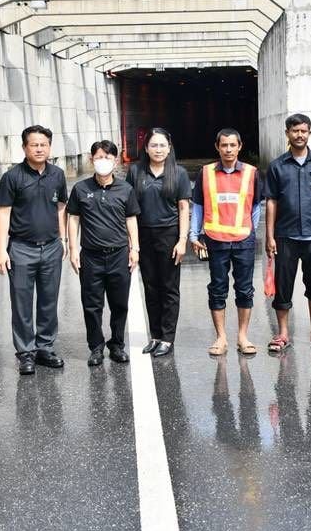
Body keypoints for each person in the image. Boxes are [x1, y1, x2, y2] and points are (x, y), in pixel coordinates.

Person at [0, 125, 68, 376]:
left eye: (43, 144)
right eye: (34, 144)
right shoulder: (12, 177)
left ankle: (45, 347)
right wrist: (2, 250)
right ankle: (26, 352)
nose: (39, 148)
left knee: (49, 300)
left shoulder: (57, 174)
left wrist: (64, 239)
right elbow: (3, 213)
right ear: (24, 147)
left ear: (49, 147)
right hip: (21, 249)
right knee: (22, 303)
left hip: (50, 248)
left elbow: (60, 207)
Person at [264, 113, 311, 353]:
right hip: (285, 236)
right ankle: (283, 333)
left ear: (309, 133)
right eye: (295, 131)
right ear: (287, 133)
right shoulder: (277, 165)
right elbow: (271, 202)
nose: (299, 135)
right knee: (283, 286)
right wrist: (269, 236)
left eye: (304, 131)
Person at [189, 128, 264, 356]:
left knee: (245, 290)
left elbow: (256, 207)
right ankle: (221, 337)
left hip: (243, 241)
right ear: (217, 147)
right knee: (217, 289)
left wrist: (251, 231)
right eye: (224, 145)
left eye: (233, 145)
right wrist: (194, 235)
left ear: (240, 146)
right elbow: (198, 206)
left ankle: (242, 336)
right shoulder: (206, 172)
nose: (228, 149)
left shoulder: (252, 173)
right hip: (215, 241)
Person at [67, 140, 141, 367]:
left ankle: (117, 344)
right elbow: (73, 218)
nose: (103, 162)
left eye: (108, 157)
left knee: (119, 304)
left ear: (115, 160)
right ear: (92, 160)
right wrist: (73, 249)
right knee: (92, 304)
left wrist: (134, 248)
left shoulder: (125, 189)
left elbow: (131, 219)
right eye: (98, 157)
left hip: (119, 254)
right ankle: (96, 347)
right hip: (91, 256)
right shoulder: (81, 189)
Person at [126, 128, 191, 358]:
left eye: (162, 145)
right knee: (151, 288)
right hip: (144, 235)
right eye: (154, 145)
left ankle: (167, 338)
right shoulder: (135, 171)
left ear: (169, 147)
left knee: (169, 288)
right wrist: (132, 243)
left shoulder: (179, 173)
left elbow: (184, 208)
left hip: (169, 236)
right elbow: (129, 209)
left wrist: (183, 240)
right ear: (146, 148)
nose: (158, 149)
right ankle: (154, 336)